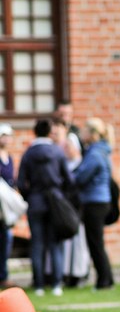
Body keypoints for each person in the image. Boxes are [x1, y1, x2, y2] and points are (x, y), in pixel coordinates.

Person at [17, 118, 72, 296]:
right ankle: (57, 284)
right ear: (50, 132)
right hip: (54, 202)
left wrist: (30, 197)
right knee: (55, 245)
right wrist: (60, 195)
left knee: (37, 244)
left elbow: (21, 182)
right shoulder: (57, 152)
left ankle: (39, 285)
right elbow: (69, 179)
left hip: (36, 203)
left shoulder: (29, 154)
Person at [74, 117, 115, 290]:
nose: (81, 134)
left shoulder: (96, 154)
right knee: (97, 242)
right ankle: (107, 279)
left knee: (95, 243)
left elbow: (81, 177)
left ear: (92, 134)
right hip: (99, 201)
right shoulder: (100, 151)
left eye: (84, 131)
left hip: (95, 202)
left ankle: (104, 281)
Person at [50, 117, 89, 287]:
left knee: (79, 244)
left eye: (69, 147)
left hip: (77, 209)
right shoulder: (64, 165)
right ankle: (66, 274)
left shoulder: (81, 165)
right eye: (65, 146)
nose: (67, 149)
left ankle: (79, 273)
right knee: (67, 246)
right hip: (66, 210)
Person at [0, 124, 15, 288]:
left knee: (7, 238)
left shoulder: (9, 157)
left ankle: (3, 274)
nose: (6, 138)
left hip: (7, 206)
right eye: (3, 135)